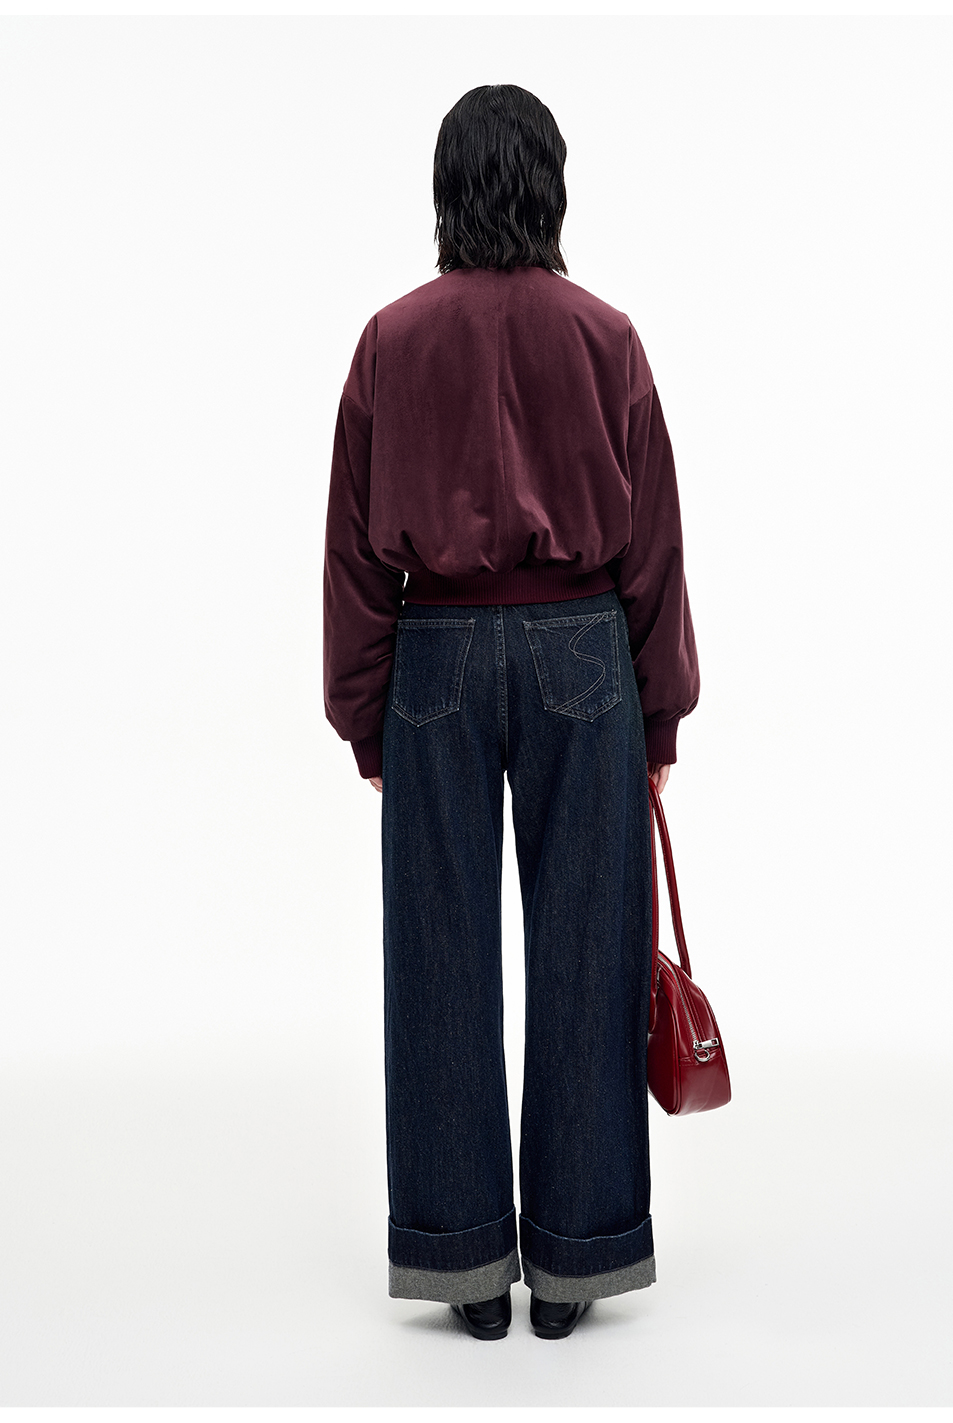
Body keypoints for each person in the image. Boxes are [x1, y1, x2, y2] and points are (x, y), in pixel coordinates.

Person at [322, 84, 699, 1342]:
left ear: (447, 190)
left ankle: (465, 1267)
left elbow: (354, 550)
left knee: (436, 952)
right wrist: (658, 715)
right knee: (592, 948)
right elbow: (652, 542)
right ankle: (577, 1258)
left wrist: (364, 712)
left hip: (431, 652)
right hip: (582, 649)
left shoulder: (389, 339)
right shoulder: (606, 337)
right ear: (550, 183)